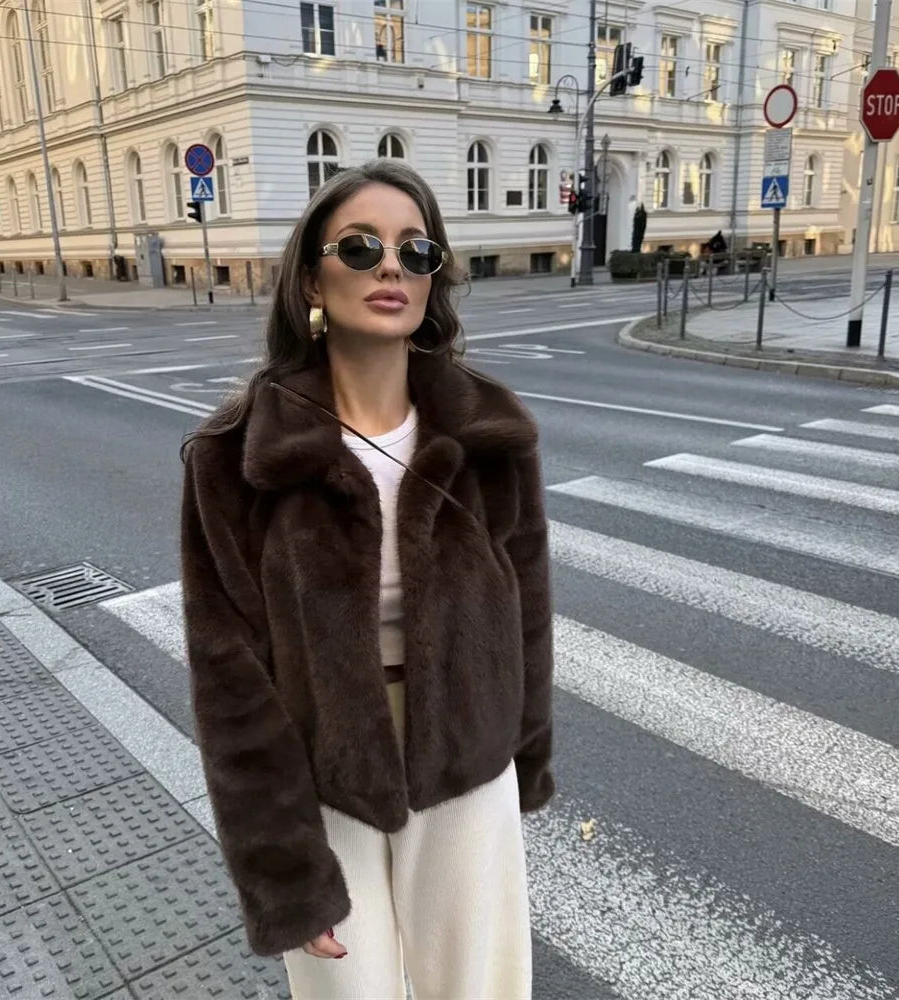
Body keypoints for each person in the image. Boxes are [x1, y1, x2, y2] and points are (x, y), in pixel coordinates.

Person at [179, 159, 554, 999]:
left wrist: (523, 755)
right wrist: (280, 871)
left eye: (416, 252)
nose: (391, 265)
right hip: (324, 779)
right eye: (361, 245)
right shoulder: (235, 456)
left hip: (466, 766)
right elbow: (228, 675)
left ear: (434, 281)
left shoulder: (490, 432)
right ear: (311, 273)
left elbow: (529, 610)